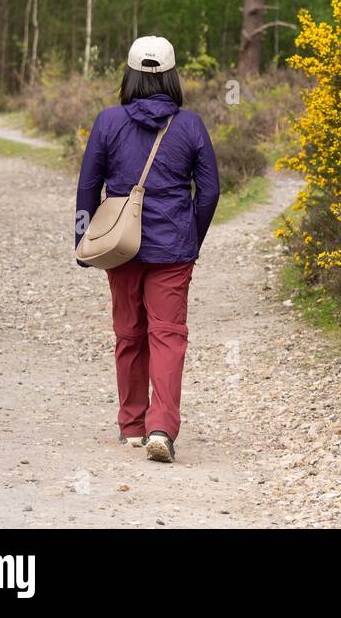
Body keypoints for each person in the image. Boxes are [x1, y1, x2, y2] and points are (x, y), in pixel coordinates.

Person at [75, 35, 220, 462]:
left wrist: (83, 240)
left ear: (130, 75)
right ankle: (162, 427)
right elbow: (209, 191)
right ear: (172, 77)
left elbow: (88, 186)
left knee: (129, 334)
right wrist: (190, 236)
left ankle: (132, 424)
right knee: (168, 335)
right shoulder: (190, 125)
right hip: (173, 248)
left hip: (119, 247)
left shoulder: (108, 121)